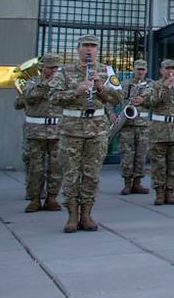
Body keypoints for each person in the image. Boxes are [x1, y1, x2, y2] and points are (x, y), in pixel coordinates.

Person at [48, 34, 122, 233]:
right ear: (78, 48)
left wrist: (100, 87)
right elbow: (52, 97)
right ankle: (72, 215)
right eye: (86, 45)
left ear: (97, 49)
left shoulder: (106, 71)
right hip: (71, 130)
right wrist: (76, 91)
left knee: (92, 174)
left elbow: (118, 97)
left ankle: (87, 214)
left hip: (96, 129)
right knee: (71, 174)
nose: (89, 49)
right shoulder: (64, 72)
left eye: (93, 46)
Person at [15, 53, 63, 212]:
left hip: (57, 131)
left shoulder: (62, 83)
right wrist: (47, 83)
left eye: (56, 68)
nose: (54, 71)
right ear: (43, 68)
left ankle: (52, 198)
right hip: (35, 132)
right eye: (51, 68)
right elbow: (29, 96)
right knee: (35, 168)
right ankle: (34, 199)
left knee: (56, 167)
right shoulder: (32, 82)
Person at [142, 59, 174, 205]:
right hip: (159, 130)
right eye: (167, 68)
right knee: (158, 164)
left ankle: (170, 191)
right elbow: (149, 102)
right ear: (161, 70)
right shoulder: (154, 85)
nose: (170, 71)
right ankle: (159, 192)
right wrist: (164, 88)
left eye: (173, 68)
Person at [115, 59, 151, 195]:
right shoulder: (125, 84)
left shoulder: (150, 85)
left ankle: (137, 183)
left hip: (143, 125)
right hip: (127, 125)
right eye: (138, 69)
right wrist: (111, 113)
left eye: (143, 69)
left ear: (146, 71)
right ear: (133, 69)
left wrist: (144, 100)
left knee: (141, 155)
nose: (140, 72)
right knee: (127, 155)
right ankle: (127, 183)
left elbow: (156, 100)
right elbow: (113, 98)